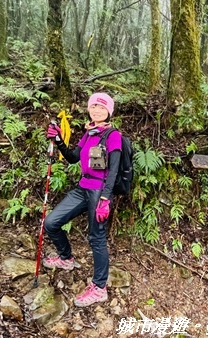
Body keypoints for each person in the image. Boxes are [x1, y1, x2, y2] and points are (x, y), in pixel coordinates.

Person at [43, 92, 122, 307]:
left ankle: (99, 288)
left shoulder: (112, 135)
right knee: (51, 222)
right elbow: (72, 158)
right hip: (83, 187)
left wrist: (105, 198)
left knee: (96, 237)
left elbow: (113, 170)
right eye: (93, 106)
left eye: (101, 107)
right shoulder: (89, 132)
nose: (96, 110)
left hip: (99, 191)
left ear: (109, 111)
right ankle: (66, 258)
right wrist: (58, 140)